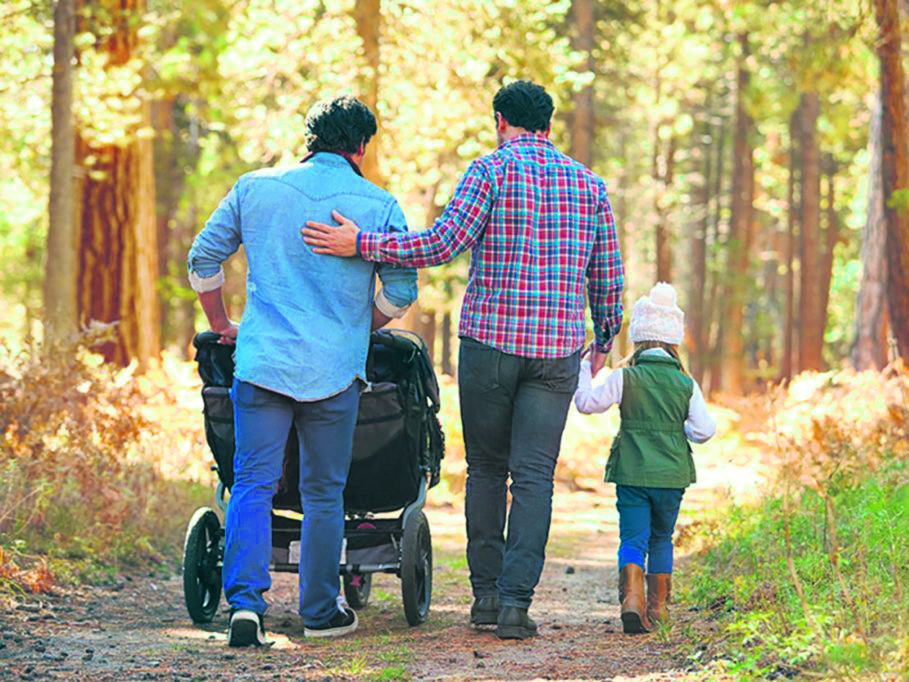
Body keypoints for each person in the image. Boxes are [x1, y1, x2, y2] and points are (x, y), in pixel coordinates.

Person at [301, 80, 625, 639]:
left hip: (489, 348)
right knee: (534, 478)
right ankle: (517, 606)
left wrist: (365, 244)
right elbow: (608, 275)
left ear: (501, 120)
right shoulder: (590, 185)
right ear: (549, 124)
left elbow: (442, 244)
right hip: (556, 353)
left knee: (485, 470)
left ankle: (486, 599)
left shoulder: (490, 171)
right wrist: (603, 340)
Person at [187, 95, 418, 647]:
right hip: (334, 372)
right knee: (323, 493)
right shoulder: (380, 204)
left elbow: (203, 257)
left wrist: (222, 323)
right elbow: (402, 291)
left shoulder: (254, 187)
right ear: (361, 146)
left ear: (308, 137)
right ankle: (320, 612)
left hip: (262, 362)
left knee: (251, 484)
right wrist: (356, 331)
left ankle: (245, 607)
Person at [573, 282, 716, 634]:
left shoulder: (625, 376)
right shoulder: (686, 383)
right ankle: (659, 609)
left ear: (639, 338)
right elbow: (705, 430)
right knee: (661, 539)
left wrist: (581, 369)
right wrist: (675, 433)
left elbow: (587, 404)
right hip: (671, 477)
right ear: (673, 341)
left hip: (632, 473)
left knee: (632, 539)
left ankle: (632, 602)